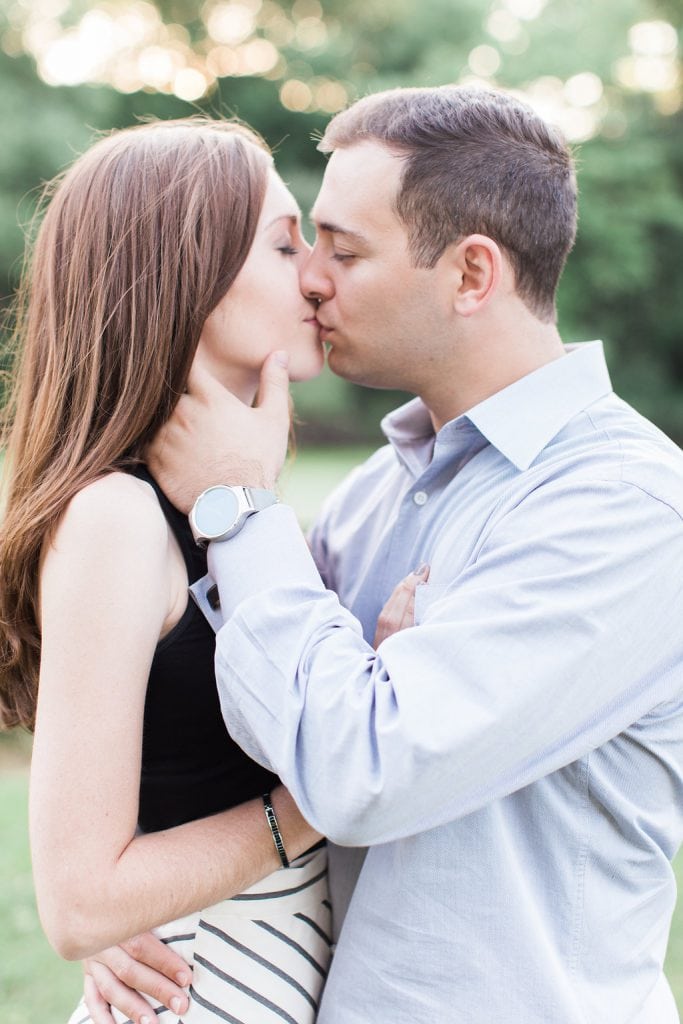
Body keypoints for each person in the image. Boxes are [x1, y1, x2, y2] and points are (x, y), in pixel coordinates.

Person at [92, 84, 683, 1023]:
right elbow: (253, 732)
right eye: (306, 242)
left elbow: (357, 769)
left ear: (471, 275)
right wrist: (145, 901)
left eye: (345, 250)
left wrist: (241, 510)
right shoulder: (376, 491)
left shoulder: (629, 509)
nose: (310, 279)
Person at [0, 116, 341, 1024]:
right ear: (185, 275)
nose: (317, 271)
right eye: (283, 243)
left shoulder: (230, 508)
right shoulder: (118, 517)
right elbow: (81, 903)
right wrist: (315, 803)